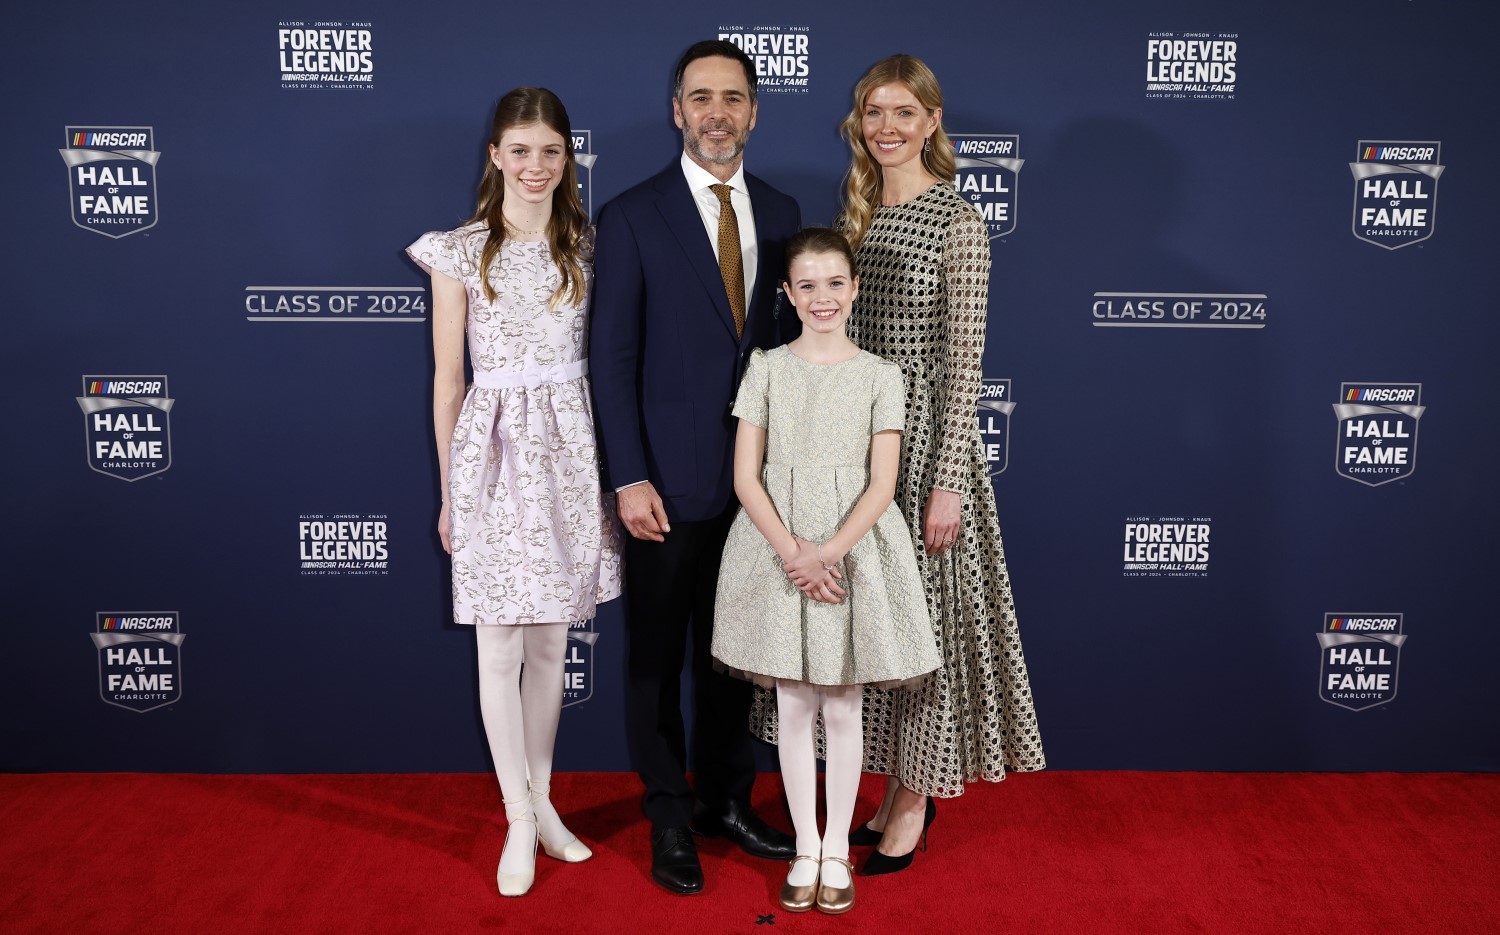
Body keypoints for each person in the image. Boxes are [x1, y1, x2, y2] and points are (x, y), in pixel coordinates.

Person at [589, 39, 802, 895]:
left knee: (734, 656)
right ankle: (670, 815)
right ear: (677, 110)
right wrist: (628, 473)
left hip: (759, 485)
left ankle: (726, 799)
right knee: (655, 657)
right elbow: (611, 356)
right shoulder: (633, 213)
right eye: (701, 98)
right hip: (664, 488)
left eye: (734, 98)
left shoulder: (786, 211)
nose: (718, 113)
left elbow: (793, 353)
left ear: (754, 111)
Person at [827, 53, 1046, 874]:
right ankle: (889, 785)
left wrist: (950, 477)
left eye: (903, 113)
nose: (888, 128)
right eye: (874, 113)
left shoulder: (957, 220)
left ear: (931, 122)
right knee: (877, 627)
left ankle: (917, 800)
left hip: (925, 451)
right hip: (859, 440)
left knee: (924, 629)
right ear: (860, 124)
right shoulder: (855, 217)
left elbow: (966, 363)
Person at [406, 87, 622, 898]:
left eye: (552, 152)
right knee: (497, 646)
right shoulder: (459, 251)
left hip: (568, 451)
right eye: (521, 150)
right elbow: (447, 377)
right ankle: (519, 817)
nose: (536, 166)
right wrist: (450, 490)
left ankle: (544, 802)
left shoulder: (591, 245)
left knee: (549, 647)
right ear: (495, 154)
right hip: (490, 454)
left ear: (569, 160)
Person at [712, 228, 941, 915]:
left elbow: (883, 484)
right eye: (806, 284)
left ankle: (837, 847)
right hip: (776, 545)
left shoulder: (881, 375)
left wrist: (829, 552)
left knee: (843, 706)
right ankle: (805, 846)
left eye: (834, 283)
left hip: (854, 551)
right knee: (792, 703)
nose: (821, 297)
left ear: (855, 289)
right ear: (786, 292)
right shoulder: (766, 368)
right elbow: (746, 478)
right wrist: (792, 552)